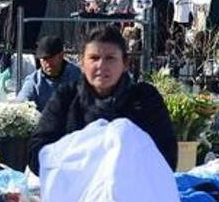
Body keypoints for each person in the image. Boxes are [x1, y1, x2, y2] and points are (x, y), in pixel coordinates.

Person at [29, 25, 178, 174]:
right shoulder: (66, 99)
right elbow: (37, 154)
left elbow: (166, 157)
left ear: (125, 63)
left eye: (110, 58)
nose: (101, 66)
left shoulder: (145, 100)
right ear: (82, 63)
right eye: (94, 58)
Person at [19, 35, 81, 112]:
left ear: (60, 56)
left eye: (49, 58)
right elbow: (21, 108)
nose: (46, 63)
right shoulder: (34, 82)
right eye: (43, 59)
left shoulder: (77, 76)